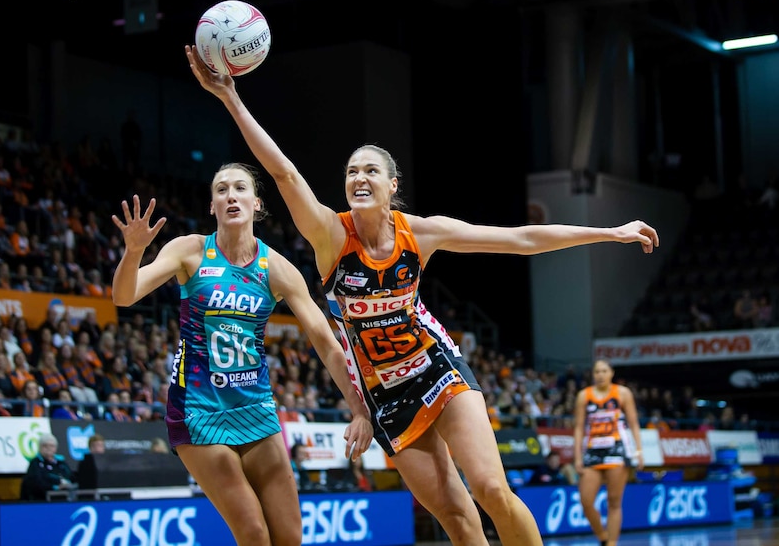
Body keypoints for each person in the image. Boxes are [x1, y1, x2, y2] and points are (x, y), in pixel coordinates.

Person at [185, 44, 660, 546]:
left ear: (393, 185)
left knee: (490, 488)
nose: (359, 177)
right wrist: (231, 99)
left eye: (371, 170)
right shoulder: (329, 234)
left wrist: (610, 232)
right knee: (454, 516)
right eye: (351, 171)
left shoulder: (422, 233)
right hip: (384, 392)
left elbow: (521, 238)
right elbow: (282, 171)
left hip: (436, 367)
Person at [110, 172, 373, 546]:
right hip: (198, 410)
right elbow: (124, 295)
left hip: (255, 408)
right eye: (221, 190)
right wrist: (134, 252)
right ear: (212, 206)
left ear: (256, 204)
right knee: (252, 533)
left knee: (289, 537)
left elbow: (326, 341)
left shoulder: (276, 268)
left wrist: (359, 409)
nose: (231, 196)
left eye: (240, 189)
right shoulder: (190, 250)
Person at [573, 359, 644, 546]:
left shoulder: (623, 393)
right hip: (592, 451)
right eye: (597, 371)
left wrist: (639, 451)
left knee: (614, 501)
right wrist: (577, 456)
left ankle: (612, 542)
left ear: (611, 373)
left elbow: (634, 423)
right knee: (586, 501)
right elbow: (579, 428)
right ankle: (603, 538)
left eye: (604, 371)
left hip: (617, 449)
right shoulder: (584, 396)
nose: (600, 375)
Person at [19, 433, 76, 501]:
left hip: (65, 497)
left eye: (51, 446)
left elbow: (71, 477)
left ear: (56, 448)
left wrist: (67, 484)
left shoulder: (61, 463)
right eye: (45, 446)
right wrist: (56, 487)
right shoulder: (35, 463)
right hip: (42, 500)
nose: (49, 448)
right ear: (39, 448)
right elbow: (36, 484)